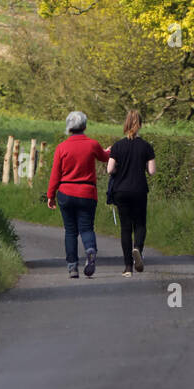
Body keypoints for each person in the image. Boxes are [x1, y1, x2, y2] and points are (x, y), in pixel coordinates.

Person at [46, 111, 111, 279]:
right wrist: (109, 151)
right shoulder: (92, 144)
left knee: (70, 231)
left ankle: (72, 267)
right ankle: (90, 250)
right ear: (85, 126)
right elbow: (104, 157)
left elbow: (55, 175)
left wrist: (51, 195)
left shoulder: (62, 147)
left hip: (66, 193)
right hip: (87, 193)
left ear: (69, 127)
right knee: (87, 228)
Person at [107, 110, 155, 276]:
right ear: (140, 125)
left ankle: (128, 267)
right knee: (140, 224)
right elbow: (152, 171)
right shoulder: (146, 146)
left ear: (126, 124)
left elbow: (109, 169)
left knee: (125, 228)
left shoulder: (118, 146)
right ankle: (138, 249)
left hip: (121, 191)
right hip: (139, 190)